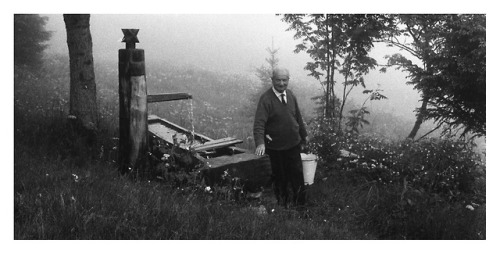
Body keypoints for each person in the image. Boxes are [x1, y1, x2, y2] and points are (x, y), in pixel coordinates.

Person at [253, 67, 308, 208]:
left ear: (288, 80)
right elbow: (259, 123)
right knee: (280, 178)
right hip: (276, 148)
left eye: (285, 80)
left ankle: (301, 206)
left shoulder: (290, 95)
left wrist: (304, 136)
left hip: (293, 144)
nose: (282, 83)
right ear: (272, 80)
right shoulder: (266, 99)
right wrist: (260, 143)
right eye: (278, 80)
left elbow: (298, 117)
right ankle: (282, 207)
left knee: (297, 176)